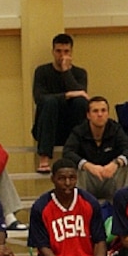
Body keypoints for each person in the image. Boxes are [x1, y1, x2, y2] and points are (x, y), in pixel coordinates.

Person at [32, 33, 89, 174]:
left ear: (71, 52)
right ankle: (44, 159)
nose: (62, 55)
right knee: (50, 101)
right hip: (46, 129)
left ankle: (79, 155)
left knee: (80, 102)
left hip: (70, 128)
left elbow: (82, 95)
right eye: (58, 51)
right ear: (53, 52)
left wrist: (66, 71)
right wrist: (67, 95)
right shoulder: (42, 71)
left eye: (66, 51)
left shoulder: (80, 73)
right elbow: (39, 98)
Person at [63, 96, 128, 202]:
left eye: (103, 111)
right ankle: (79, 207)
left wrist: (116, 163)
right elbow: (67, 152)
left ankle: (126, 206)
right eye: (95, 111)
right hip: (88, 178)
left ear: (107, 114)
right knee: (74, 167)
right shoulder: (79, 131)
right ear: (88, 115)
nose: (100, 114)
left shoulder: (115, 129)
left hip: (111, 176)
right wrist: (87, 165)